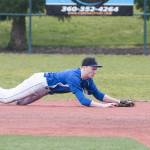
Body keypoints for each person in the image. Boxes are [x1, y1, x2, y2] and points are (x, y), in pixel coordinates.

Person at [0, 57, 121, 108]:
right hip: (39, 81)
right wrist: (103, 106)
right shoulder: (73, 77)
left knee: (21, 103)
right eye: (93, 68)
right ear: (84, 67)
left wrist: (119, 102)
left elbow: (98, 95)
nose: (95, 71)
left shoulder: (88, 80)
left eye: (96, 69)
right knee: (7, 98)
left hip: (45, 90)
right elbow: (83, 101)